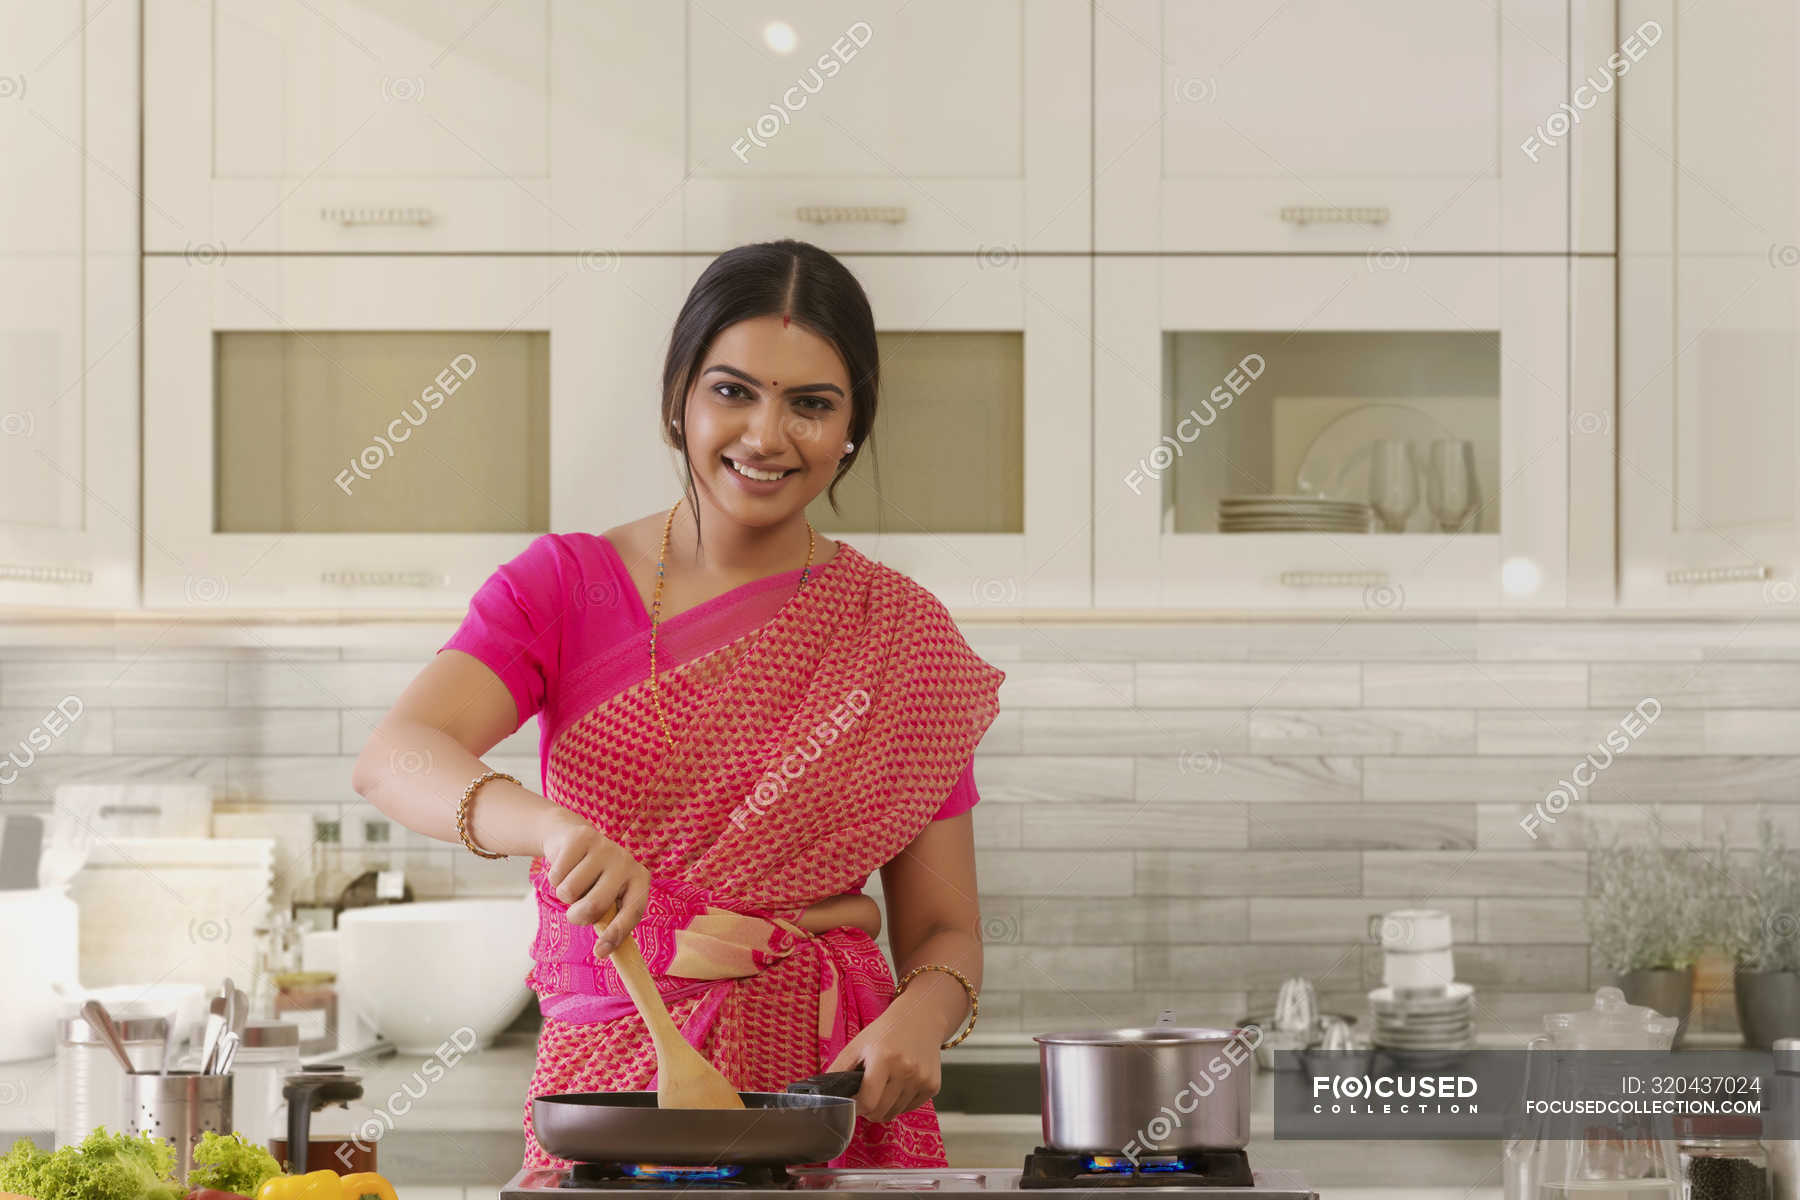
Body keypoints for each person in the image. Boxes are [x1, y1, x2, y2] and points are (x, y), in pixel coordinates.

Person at [349, 239, 1005, 1169]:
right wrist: (550, 829)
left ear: (854, 426)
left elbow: (945, 929)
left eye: (811, 404)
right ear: (678, 400)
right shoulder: (565, 585)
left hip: (823, 1100)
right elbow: (397, 754)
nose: (766, 436)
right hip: (616, 1091)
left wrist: (922, 1017)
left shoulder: (899, 636)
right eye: (732, 391)